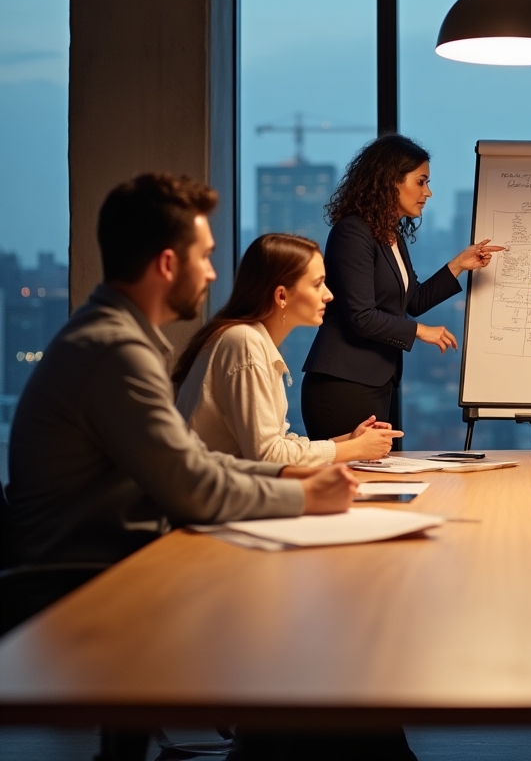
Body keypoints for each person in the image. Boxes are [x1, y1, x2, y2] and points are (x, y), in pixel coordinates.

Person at [6, 174, 358, 568]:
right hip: (83, 580)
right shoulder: (116, 351)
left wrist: (290, 477)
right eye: (205, 257)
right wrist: (305, 496)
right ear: (169, 264)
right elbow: (189, 484)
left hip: (109, 561)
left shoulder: (111, 337)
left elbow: (194, 460)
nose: (212, 273)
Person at [302, 134, 504, 439]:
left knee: (373, 481)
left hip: (375, 382)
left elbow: (413, 302)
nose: (428, 192)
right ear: (390, 181)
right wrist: (420, 331)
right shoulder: (353, 233)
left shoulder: (389, 234)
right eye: (421, 182)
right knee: (353, 481)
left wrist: (458, 264)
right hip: (342, 383)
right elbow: (361, 315)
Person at [174, 233, 400, 465]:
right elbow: (268, 455)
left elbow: (276, 443)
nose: (328, 295)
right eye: (317, 284)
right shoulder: (244, 342)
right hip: (216, 497)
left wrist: (348, 442)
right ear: (281, 295)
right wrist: (354, 449)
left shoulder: (249, 338)